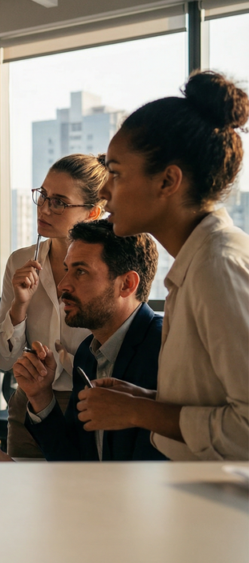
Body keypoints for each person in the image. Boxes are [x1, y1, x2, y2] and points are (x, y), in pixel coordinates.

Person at [82, 71, 249, 461]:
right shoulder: (199, 261)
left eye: (117, 173)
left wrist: (142, 411)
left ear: (168, 181)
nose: (105, 191)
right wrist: (147, 400)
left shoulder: (217, 267)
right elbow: (217, 400)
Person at [17, 220, 165, 461]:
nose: (63, 285)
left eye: (81, 272)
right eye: (67, 270)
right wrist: (40, 396)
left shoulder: (164, 348)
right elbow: (75, 460)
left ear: (127, 284)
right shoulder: (87, 353)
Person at [0, 154, 106, 458]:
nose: (44, 208)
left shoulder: (108, 266)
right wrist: (20, 305)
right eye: (43, 196)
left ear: (93, 212)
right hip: (27, 402)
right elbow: (3, 360)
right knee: (22, 499)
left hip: (91, 404)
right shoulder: (20, 261)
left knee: (80, 498)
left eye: (59, 202)